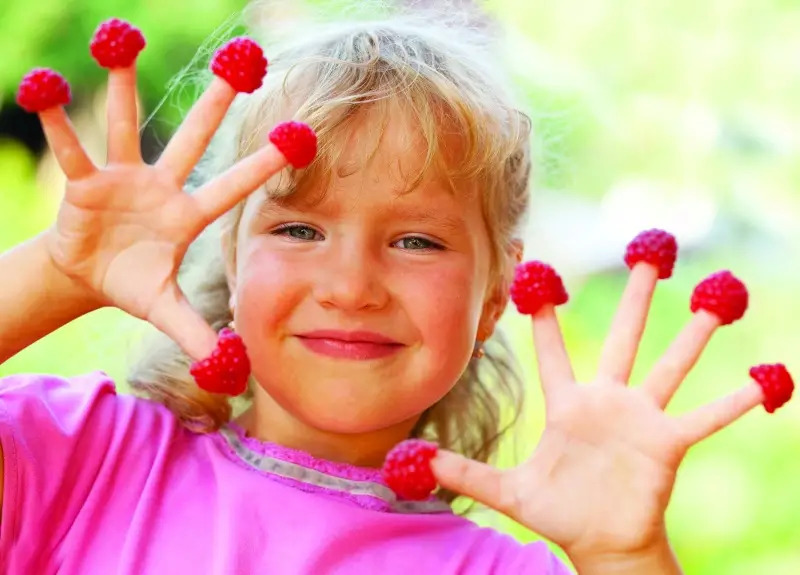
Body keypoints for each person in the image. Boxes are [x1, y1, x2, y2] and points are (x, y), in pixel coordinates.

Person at [0, 5, 770, 574]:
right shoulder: (83, 461)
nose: (351, 285)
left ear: (495, 293)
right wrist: (58, 272)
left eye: (416, 241)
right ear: (231, 258)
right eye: (299, 230)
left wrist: (625, 555)